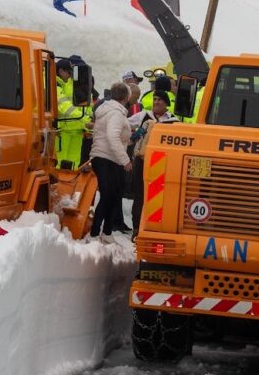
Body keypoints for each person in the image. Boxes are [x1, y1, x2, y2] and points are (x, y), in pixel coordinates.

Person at [127, 90, 178, 234]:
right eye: (155, 99)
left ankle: (154, 228)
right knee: (139, 194)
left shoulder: (174, 121)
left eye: (160, 100)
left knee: (159, 196)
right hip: (142, 161)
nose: (156, 102)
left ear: (166, 103)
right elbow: (126, 124)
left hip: (163, 164)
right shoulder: (144, 116)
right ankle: (136, 228)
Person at [88, 82, 132, 242]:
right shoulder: (116, 114)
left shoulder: (109, 110)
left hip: (105, 157)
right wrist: (125, 160)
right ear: (127, 97)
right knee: (109, 196)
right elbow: (112, 136)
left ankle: (106, 232)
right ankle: (95, 233)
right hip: (108, 159)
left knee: (113, 196)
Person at [55, 58, 90, 169]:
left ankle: (69, 185)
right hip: (63, 130)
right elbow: (64, 106)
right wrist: (86, 121)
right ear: (61, 71)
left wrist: (86, 124)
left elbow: (86, 107)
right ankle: (60, 185)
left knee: (73, 162)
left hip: (76, 129)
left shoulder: (66, 84)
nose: (70, 75)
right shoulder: (55, 84)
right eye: (69, 72)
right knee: (61, 162)